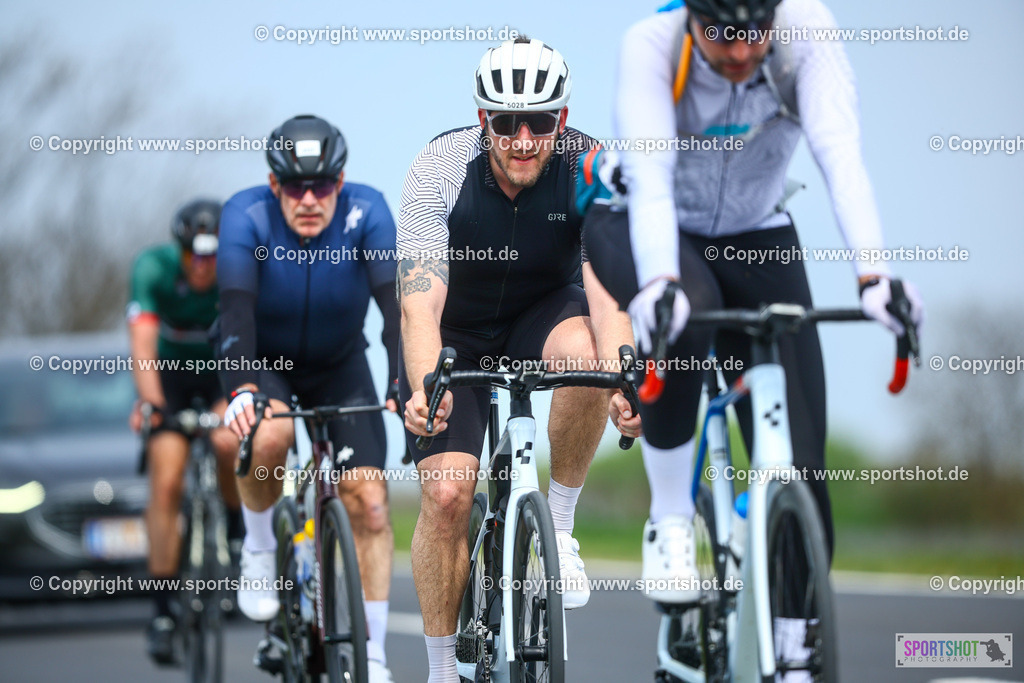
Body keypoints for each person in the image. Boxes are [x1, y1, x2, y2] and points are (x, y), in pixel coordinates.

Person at [582, 0, 924, 623]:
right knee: (687, 311)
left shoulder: (805, 35)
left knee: (804, 464)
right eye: (720, 35)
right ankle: (670, 519)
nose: (740, 52)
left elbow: (840, 153)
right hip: (642, 223)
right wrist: (659, 284)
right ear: (691, 17)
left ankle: (794, 639)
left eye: (755, 32)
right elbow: (652, 183)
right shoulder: (652, 45)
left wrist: (875, 275)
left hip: (757, 232)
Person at [397, 37, 639, 683]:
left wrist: (626, 373)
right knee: (447, 494)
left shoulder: (590, 165)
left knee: (590, 359)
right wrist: (426, 386)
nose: (524, 139)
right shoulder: (440, 165)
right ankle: (441, 670)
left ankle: (557, 525)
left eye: (540, 121)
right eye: (507, 123)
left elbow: (608, 294)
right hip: (454, 329)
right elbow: (419, 305)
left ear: (563, 118)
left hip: (544, 315)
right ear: (483, 119)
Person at [217, 114, 400, 682]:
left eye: (322, 185)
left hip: (340, 363)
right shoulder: (245, 215)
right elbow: (235, 311)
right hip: (265, 362)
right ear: (274, 185)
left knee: (370, 504)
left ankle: (372, 655)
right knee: (269, 434)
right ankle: (258, 547)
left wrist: (402, 379)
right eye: (295, 187)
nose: (310, 200)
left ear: (340, 181)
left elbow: (395, 309)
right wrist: (242, 387)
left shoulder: (368, 211)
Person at [127, 199, 243, 664]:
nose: (202, 264)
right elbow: (142, 344)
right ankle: (161, 611)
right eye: (193, 253)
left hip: (219, 376)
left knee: (229, 440)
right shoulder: (153, 268)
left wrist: (237, 398)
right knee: (167, 479)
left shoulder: (238, 269)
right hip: (170, 382)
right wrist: (152, 404)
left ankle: (235, 531)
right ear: (180, 249)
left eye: (211, 254)